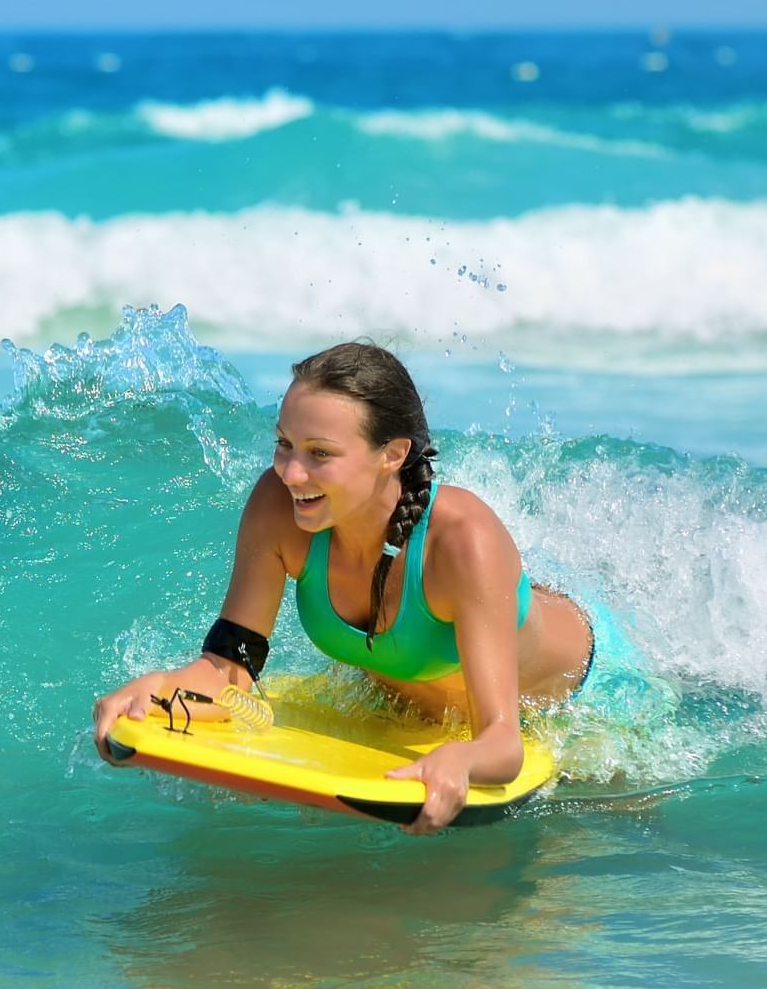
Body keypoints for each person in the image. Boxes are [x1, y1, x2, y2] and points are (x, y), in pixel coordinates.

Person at [91, 341, 595, 834]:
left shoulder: (464, 542)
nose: (291, 472)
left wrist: (463, 759)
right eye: (284, 443)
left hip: (583, 701)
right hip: (411, 707)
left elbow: (503, 743)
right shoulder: (278, 507)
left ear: (393, 454)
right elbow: (229, 672)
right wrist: (158, 688)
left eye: (320, 453)